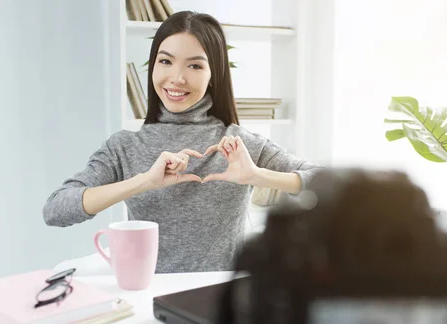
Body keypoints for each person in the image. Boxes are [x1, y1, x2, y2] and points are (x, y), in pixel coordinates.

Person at [43, 11, 323, 273]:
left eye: (195, 65)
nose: (177, 78)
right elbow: (56, 210)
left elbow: (324, 184)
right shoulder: (124, 147)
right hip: (147, 299)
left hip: (217, 303)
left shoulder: (239, 144)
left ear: (214, 74)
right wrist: (144, 181)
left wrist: (256, 175)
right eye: (165, 61)